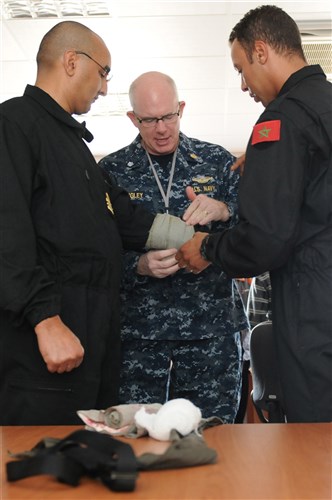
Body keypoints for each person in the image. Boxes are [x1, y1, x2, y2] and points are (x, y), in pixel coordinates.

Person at [0, 22, 189, 425]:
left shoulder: (75, 147)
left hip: (92, 352)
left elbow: (128, 221)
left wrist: (206, 239)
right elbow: (6, 233)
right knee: (41, 475)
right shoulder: (15, 123)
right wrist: (44, 320)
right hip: (44, 352)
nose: (104, 87)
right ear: (72, 62)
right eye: (104, 73)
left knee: (88, 470)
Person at [176, 5, 332, 423]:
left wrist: (207, 246)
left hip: (314, 312)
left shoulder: (281, 120)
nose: (243, 85)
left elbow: (266, 240)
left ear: (261, 51)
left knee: (316, 450)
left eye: (241, 68)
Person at [99, 71, 249, 422]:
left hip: (210, 335)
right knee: (137, 443)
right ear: (133, 118)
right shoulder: (111, 171)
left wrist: (225, 210)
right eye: (150, 120)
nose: (161, 128)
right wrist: (136, 266)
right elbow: (96, 252)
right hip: (139, 339)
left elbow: (252, 237)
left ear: (181, 108)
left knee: (215, 442)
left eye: (168, 116)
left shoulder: (217, 161)